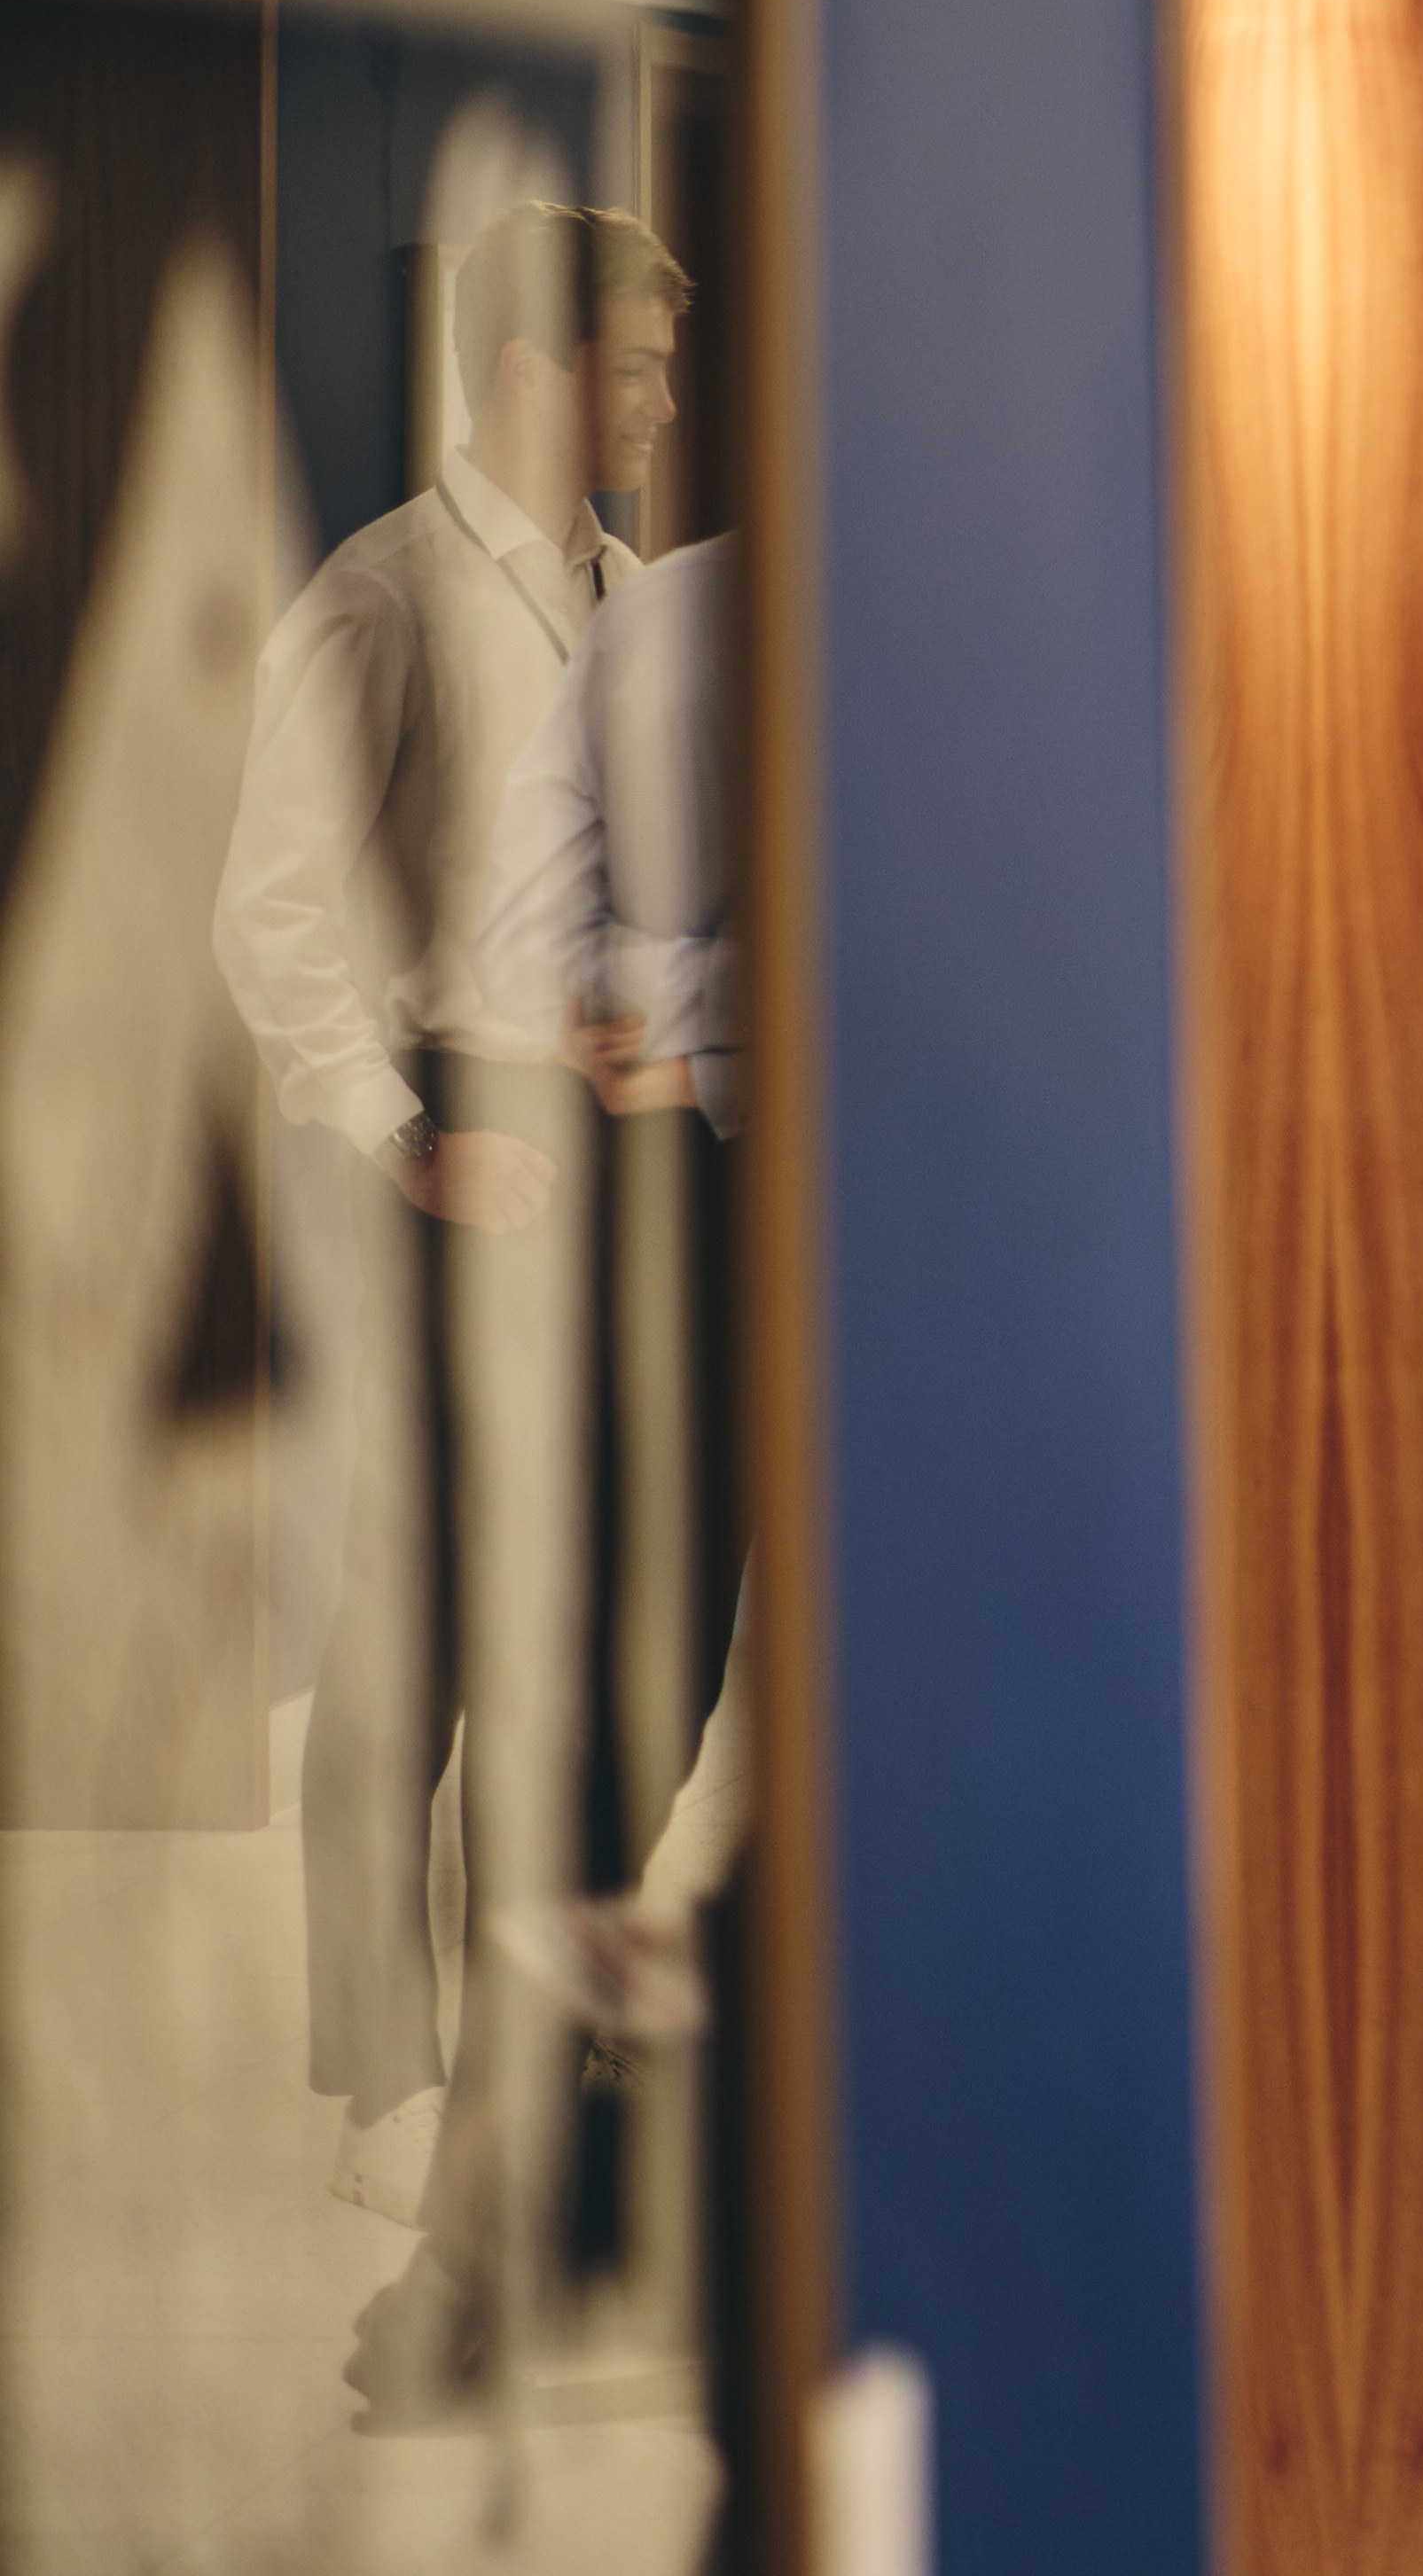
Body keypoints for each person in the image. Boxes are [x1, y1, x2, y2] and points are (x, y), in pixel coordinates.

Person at [209, 198, 682, 2221]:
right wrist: (408, 1134)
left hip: (616, 1146)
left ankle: (549, 2018)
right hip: (445, 1153)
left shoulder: (643, 597)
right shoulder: (384, 593)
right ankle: (379, 2080)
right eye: (637, 365)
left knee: (612, 1621)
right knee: (423, 1637)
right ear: (526, 375)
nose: (664, 402)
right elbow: (278, 912)